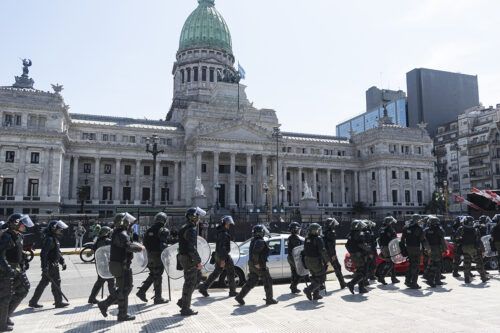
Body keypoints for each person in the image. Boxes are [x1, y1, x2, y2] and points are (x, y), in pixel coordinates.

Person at [97, 213, 144, 321]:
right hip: (121, 265)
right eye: (127, 221)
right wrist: (140, 248)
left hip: (119, 264)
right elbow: (128, 246)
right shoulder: (122, 234)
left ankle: (108, 306)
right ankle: (120, 313)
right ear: (123, 222)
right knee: (125, 289)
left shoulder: (118, 233)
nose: (129, 223)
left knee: (124, 289)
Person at [0, 214, 33, 332]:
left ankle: (5, 316)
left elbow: (16, 250)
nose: (24, 227)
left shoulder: (18, 235)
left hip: (17, 268)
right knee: (5, 297)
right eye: (23, 224)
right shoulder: (7, 236)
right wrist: (8, 269)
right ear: (15, 223)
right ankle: (1, 325)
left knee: (24, 289)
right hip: (6, 271)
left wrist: (23, 257)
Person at [29, 220, 69, 308]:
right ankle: (57, 302)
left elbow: (57, 252)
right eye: (59, 229)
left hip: (54, 265)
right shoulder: (49, 239)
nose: (61, 230)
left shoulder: (54, 238)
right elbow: (43, 254)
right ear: (54, 229)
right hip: (50, 265)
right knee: (48, 283)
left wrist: (62, 261)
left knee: (49, 283)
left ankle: (34, 301)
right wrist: (45, 267)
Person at [235, 225, 278, 306]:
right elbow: (255, 253)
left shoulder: (254, 240)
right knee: (268, 280)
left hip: (252, 264)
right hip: (259, 264)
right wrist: (257, 264)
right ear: (261, 232)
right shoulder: (260, 241)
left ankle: (239, 297)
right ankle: (269, 299)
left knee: (252, 281)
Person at [176, 207, 205, 316]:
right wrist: (198, 261)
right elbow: (191, 248)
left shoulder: (185, 227)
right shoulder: (191, 229)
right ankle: (185, 308)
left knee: (197, 278)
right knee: (190, 282)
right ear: (193, 217)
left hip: (185, 257)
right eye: (197, 217)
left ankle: (183, 301)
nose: (198, 219)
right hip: (189, 259)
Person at [199, 216, 237, 297]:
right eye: (228, 223)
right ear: (225, 223)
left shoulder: (220, 231)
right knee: (231, 272)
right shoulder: (224, 233)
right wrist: (223, 260)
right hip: (223, 256)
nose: (229, 225)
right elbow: (222, 247)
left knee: (216, 273)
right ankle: (232, 291)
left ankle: (203, 288)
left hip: (218, 255)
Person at [137, 212, 170, 304]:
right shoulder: (163, 230)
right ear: (164, 220)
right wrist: (167, 255)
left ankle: (141, 291)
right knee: (158, 276)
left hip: (148, 255)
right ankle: (158, 298)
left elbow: (144, 243)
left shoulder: (149, 230)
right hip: (158, 256)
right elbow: (163, 245)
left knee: (153, 274)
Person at [456, 216, 489, 284]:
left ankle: (467, 279)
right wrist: (483, 250)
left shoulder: (461, 229)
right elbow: (479, 241)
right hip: (474, 248)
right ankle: (483, 278)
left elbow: (455, 238)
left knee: (466, 264)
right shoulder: (475, 230)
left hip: (464, 248)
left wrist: (460, 242)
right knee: (479, 263)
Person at [88, 226, 115, 304]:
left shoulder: (97, 241)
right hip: (105, 264)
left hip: (100, 265)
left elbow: (90, 253)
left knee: (100, 282)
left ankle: (92, 298)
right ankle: (114, 298)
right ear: (106, 233)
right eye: (109, 232)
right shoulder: (107, 241)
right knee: (111, 281)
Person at [302, 223, 330, 301]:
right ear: (314, 231)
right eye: (318, 230)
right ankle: (308, 290)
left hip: (308, 261)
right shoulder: (318, 239)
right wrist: (327, 261)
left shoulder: (307, 238)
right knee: (321, 278)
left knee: (315, 277)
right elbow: (323, 251)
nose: (319, 231)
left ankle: (316, 295)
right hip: (316, 261)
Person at [400, 215, 426, 289]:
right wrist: (427, 249)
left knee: (411, 265)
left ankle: (407, 280)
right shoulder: (419, 229)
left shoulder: (406, 227)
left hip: (408, 248)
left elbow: (402, 240)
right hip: (416, 248)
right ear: (417, 220)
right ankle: (414, 283)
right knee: (416, 266)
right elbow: (422, 240)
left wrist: (404, 249)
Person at [345, 220, 371, 294]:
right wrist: (369, 249)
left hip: (354, 255)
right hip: (359, 255)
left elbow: (347, 245)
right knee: (363, 272)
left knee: (359, 271)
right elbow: (362, 245)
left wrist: (352, 252)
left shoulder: (351, 234)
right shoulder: (359, 234)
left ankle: (361, 288)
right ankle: (351, 283)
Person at [323, 218, 346, 289]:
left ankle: (320, 285)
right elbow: (330, 245)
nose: (334, 225)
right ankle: (342, 283)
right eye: (333, 224)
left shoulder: (324, 231)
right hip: (330, 253)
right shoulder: (331, 232)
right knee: (337, 267)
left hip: (325, 253)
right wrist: (333, 255)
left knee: (324, 268)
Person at [423, 216, 446, 288]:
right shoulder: (439, 230)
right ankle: (435, 280)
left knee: (431, 263)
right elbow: (442, 237)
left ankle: (428, 276)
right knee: (437, 265)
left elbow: (423, 239)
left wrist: (426, 249)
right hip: (436, 248)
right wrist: (444, 249)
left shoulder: (426, 230)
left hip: (428, 248)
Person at [376, 216, 400, 285]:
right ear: (389, 222)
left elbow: (379, 239)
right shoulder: (390, 229)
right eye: (391, 222)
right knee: (390, 263)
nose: (392, 223)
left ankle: (393, 278)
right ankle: (381, 277)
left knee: (390, 262)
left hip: (383, 247)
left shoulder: (381, 229)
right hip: (389, 247)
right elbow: (394, 238)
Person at [287, 222, 303, 294]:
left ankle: (293, 287)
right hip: (294, 258)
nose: (299, 230)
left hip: (290, 257)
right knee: (299, 273)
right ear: (295, 229)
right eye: (298, 229)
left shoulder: (291, 237)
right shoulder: (295, 238)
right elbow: (298, 249)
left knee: (294, 273)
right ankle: (293, 286)